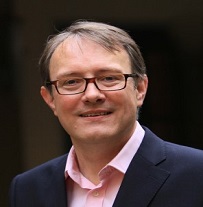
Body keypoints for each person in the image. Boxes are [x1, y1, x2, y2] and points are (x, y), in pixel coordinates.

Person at [10, 20, 203, 207]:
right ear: (50, 99)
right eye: (71, 82)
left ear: (140, 89)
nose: (92, 95)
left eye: (109, 78)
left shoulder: (197, 175)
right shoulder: (28, 190)